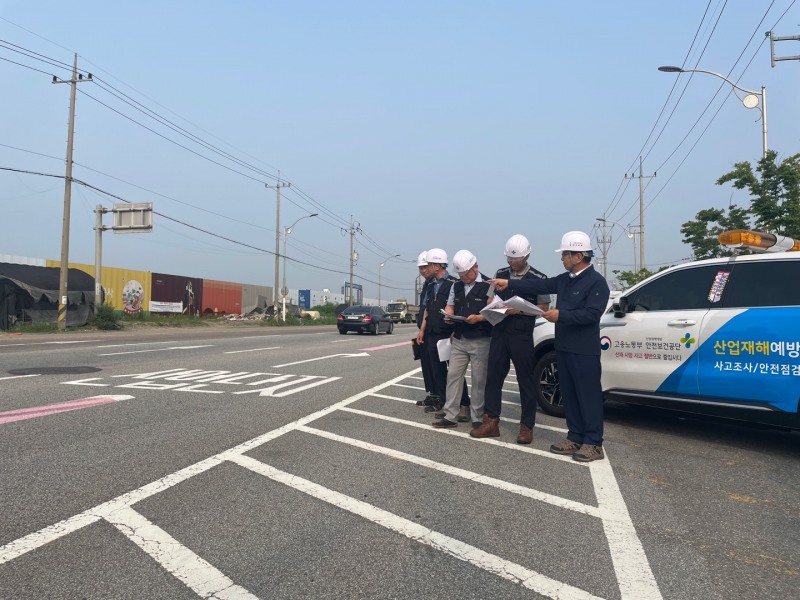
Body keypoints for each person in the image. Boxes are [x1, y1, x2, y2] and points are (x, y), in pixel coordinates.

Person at [489, 231, 610, 462]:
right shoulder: (565, 279)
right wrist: (509, 283)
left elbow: (592, 314)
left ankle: (594, 443)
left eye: (565, 254)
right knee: (570, 395)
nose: (562, 258)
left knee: (588, 395)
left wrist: (561, 315)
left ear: (578, 255)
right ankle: (575, 436)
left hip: (584, 349)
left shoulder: (597, 282)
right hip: (563, 346)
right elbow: (540, 284)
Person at [471, 234, 550, 444]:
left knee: (526, 380)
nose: (512, 263)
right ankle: (491, 421)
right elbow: (489, 299)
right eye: (509, 259)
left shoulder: (538, 278)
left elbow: (543, 309)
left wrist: (520, 311)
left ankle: (526, 426)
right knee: (494, 377)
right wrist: (496, 307)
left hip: (522, 333)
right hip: (499, 331)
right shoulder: (500, 274)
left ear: (527, 256)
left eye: (516, 260)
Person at [431, 250, 493, 429]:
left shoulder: (488, 284)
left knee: (479, 379)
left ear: (476, 267)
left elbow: (491, 311)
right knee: (453, 376)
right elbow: (450, 306)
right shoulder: (456, 286)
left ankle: (478, 418)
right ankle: (451, 415)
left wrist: (479, 318)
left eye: (467, 274)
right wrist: (448, 316)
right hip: (459, 337)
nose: (464, 277)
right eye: (461, 275)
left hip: (481, 338)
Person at [416, 249, 470, 416]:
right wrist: (422, 330)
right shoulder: (431, 285)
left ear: (437, 265)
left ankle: (464, 404)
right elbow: (426, 310)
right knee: (438, 371)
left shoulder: (454, 284)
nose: (428, 267)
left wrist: (456, 330)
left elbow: (458, 308)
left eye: (430, 264)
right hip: (432, 334)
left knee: (455, 372)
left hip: (448, 335)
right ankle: (447, 405)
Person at [414, 251, 437, 407]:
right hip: (425, 331)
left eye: (426, 267)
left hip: (437, 332)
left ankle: (441, 396)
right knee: (427, 365)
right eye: (421, 268)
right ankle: (432, 394)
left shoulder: (439, 283)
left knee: (438, 367)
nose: (423, 271)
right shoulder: (427, 285)